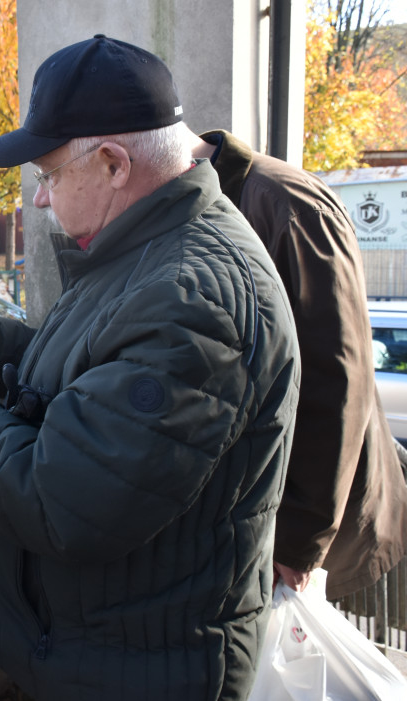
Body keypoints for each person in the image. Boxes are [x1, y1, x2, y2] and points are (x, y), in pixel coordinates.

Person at [0, 36, 300, 700]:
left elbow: (64, 499)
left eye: (49, 174)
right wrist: (0, 346)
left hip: (143, 675)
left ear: (114, 163)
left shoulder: (193, 298)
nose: (40, 200)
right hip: (105, 657)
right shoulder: (148, 250)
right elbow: (105, 375)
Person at [186, 127, 407, 599]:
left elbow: (337, 376)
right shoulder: (196, 206)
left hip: (310, 536)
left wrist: (300, 539)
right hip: (246, 522)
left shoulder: (285, 201)